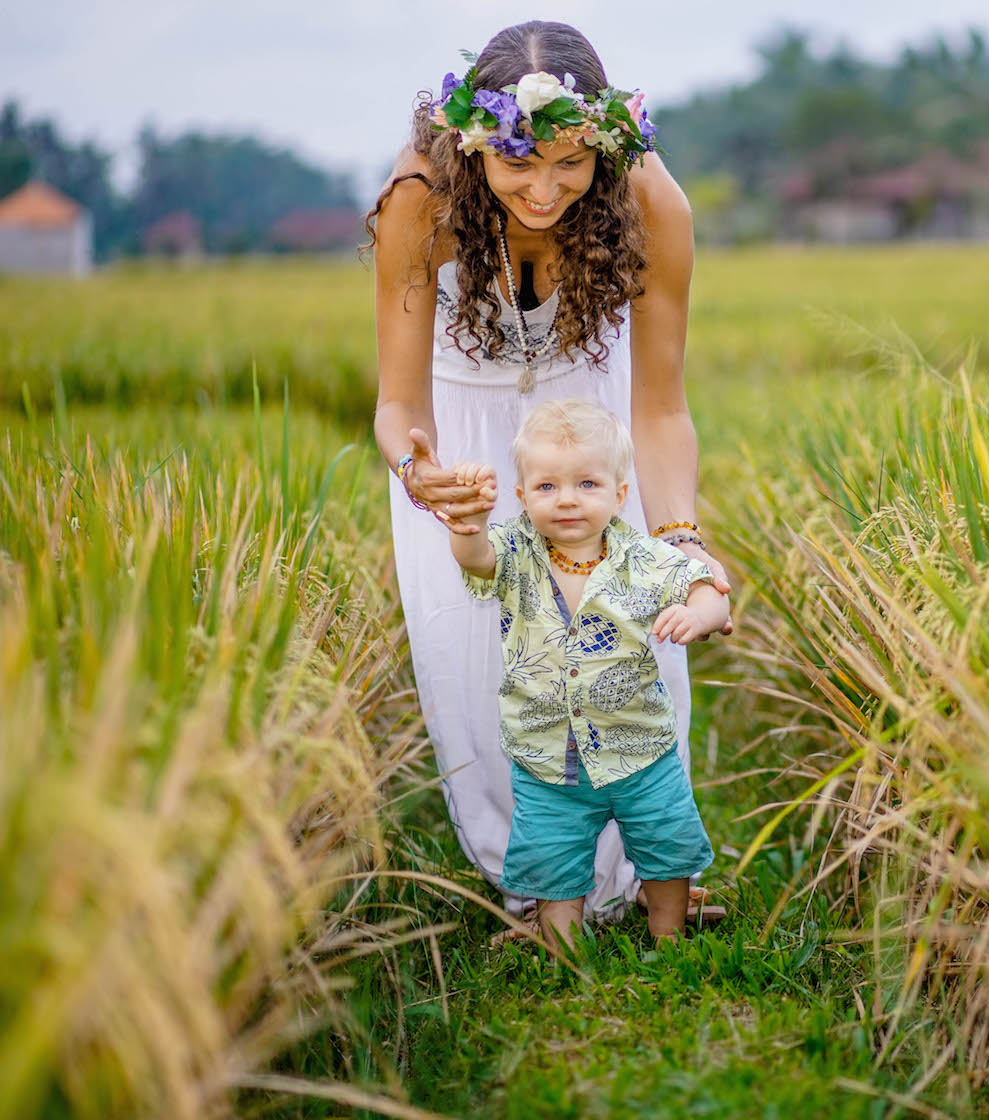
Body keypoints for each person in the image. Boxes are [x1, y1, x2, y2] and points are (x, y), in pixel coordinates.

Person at [365, 20, 730, 925]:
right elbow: (398, 403)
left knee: (632, 641)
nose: (544, 189)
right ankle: (532, 885)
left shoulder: (653, 204)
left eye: (569, 166)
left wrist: (681, 539)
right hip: (457, 434)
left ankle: (636, 873)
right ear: (473, 146)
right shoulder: (420, 201)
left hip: (589, 426)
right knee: (477, 654)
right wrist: (422, 475)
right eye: (518, 167)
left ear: (602, 147)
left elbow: (659, 407)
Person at [447, 400, 729, 946]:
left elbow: (707, 589)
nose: (568, 499)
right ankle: (562, 946)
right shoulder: (514, 549)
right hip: (547, 753)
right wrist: (468, 523)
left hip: (639, 748)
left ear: (619, 495)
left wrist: (697, 614)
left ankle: (668, 933)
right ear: (522, 495)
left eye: (587, 484)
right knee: (553, 857)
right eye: (547, 487)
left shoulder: (643, 558)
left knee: (664, 844)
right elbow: (474, 558)